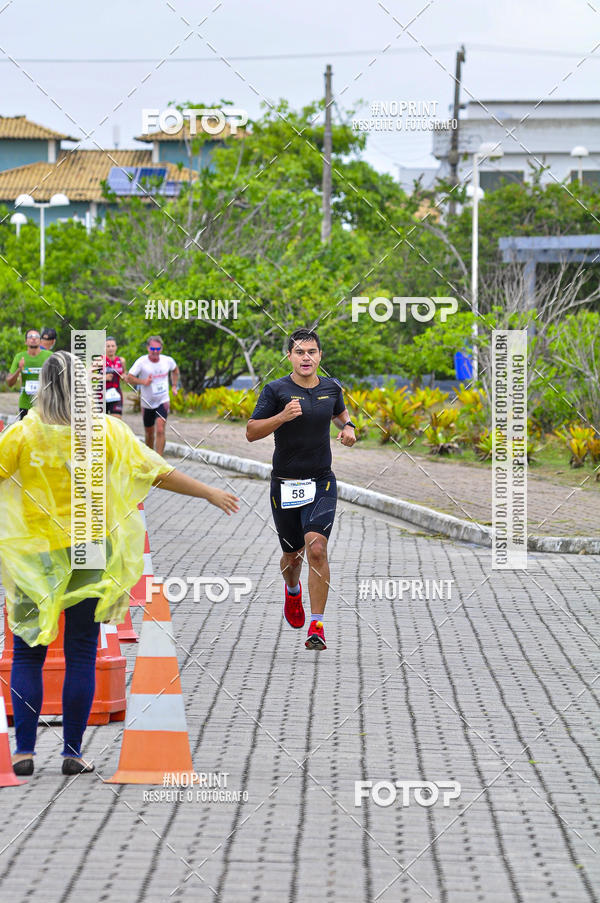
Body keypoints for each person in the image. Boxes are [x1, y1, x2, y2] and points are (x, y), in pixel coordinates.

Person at [0, 351, 239, 777]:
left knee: (28, 653)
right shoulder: (105, 431)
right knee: (81, 651)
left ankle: (23, 752)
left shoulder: (22, 434)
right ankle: (72, 752)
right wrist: (208, 492)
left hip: (36, 556)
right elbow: (156, 471)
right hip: (89, 552)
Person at [246, 328, 356, 650]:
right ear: (289, 356)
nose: (306, 358)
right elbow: (251, 432)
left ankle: (317, 625)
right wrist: (282, 416)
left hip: (321, 481)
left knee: (316, 548)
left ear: (320, 355)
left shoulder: (332, 387)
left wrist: (349, 427)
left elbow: (340, 414)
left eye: (311, 352)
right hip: (285, 484)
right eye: (299, 352)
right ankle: (292, 591)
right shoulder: (276, 390)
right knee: (292, 557)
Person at [127, 336, 179, 456]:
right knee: (149, 433)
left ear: (161, 348)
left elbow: (175, 370)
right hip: (147, 403)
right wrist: (143, 382)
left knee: (160, 429)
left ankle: (159, 460)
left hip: (162, 400)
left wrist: (174, 386)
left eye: (158, 349)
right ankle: (150, 458)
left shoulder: (167, 361)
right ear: (147, 348)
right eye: (152, 349)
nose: (155, 351)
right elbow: (129, 378)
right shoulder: (142, 362)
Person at [6, 328, 53, 420]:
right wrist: (19, 369)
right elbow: (9, 383)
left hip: (44, 405)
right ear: (26, 342)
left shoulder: (50, 356)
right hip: (25, 405)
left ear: (40, 341)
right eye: (30, 336)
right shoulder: (19, 357)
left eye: (36, 336)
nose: (33, 338)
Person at [104, 336, 126, 418]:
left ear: (116, 347)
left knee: (117, 419)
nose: (111, 348)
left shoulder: (121, 360)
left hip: (116, 393)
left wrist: (124, 376)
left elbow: (124, 373)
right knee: (102, 422)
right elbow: (89, 375)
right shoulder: (99, 360)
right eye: (108, 346)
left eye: (113, 346)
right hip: (102, 394)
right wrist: (104, 377)